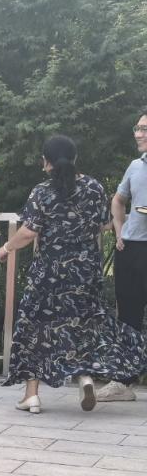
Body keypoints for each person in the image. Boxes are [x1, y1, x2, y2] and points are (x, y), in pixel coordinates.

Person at [0, 135, 147, 413]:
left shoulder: (42, 191)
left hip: (49, 273)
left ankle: (31, 395)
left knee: (35, 327)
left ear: (46, 162)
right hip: (85, 271)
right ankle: (85, 377)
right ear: (75, 158)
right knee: (83, 324)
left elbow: (28, 232)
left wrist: (6, 247)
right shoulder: (94, 187)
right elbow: (105, 224)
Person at [97, 108, 147, 402]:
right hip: (131, 249)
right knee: (127, 316)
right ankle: (123, 383)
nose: (138, 134)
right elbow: (118, 200)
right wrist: (119, 231)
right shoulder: (135, 166)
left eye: (145, 129)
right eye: (137, 128)